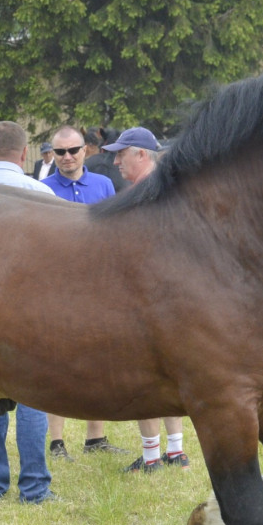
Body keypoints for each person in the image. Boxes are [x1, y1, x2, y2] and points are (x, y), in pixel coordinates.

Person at [0, 120, 57, 503]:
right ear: (24, 154)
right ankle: (35, 488)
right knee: (34, 401)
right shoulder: (43, 194)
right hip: (32, 312)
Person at [102, 127, 190, 473]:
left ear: (141, 154)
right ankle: (175, 451)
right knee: (167, 379)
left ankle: (154, 457)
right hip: (168, 303)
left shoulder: (147, 193)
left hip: (149, 304)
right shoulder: (167, 189)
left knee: (146, 380)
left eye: (122, 153)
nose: (115, 160)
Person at [40, 125, 124, 460]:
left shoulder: (104, 185)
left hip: (98, 288)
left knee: (98, 362)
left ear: (85, 150)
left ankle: (95, 438)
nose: (67, 157)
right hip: (56, 290)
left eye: (73, 150)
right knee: (54, 364)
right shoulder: (42, 189)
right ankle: (57, 442)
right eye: (60, 152)